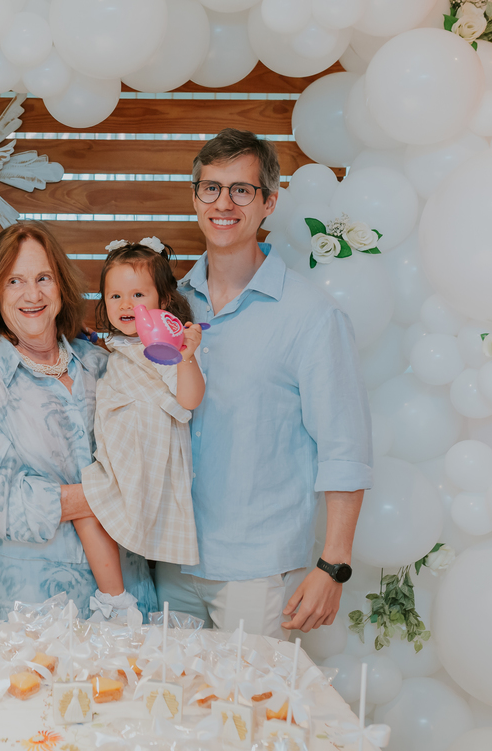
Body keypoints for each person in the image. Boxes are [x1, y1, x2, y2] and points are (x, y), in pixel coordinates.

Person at [155, 128, 372, 638]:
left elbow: (344, 447)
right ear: (195, 198)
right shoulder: (171, 306)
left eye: (242, 190)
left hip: (259, 572)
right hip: (170, 560)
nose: (223, 203)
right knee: (167, 692)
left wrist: (333, 566)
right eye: (211, 188)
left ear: (269, 202)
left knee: (255, 694)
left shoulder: (312, 316)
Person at [0, 222, 159, 620]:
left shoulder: (103, 364)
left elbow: (152, 449)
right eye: (14, 281)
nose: (33, 294)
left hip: (130, 600)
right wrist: (102, 495)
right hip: (33, 614)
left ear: (61, 287)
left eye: (43, 278)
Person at [77, 237, 205, 619]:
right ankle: (115, 597)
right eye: (115, 296)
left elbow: (189, 400)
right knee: (90, 508)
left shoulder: (165, 348)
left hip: (142, 456)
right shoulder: (117, 344)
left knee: (89, 506)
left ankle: (115, 601)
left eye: (137, 295)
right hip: (119, 450)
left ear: (163, 299)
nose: (125, 305)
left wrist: (186, 358)